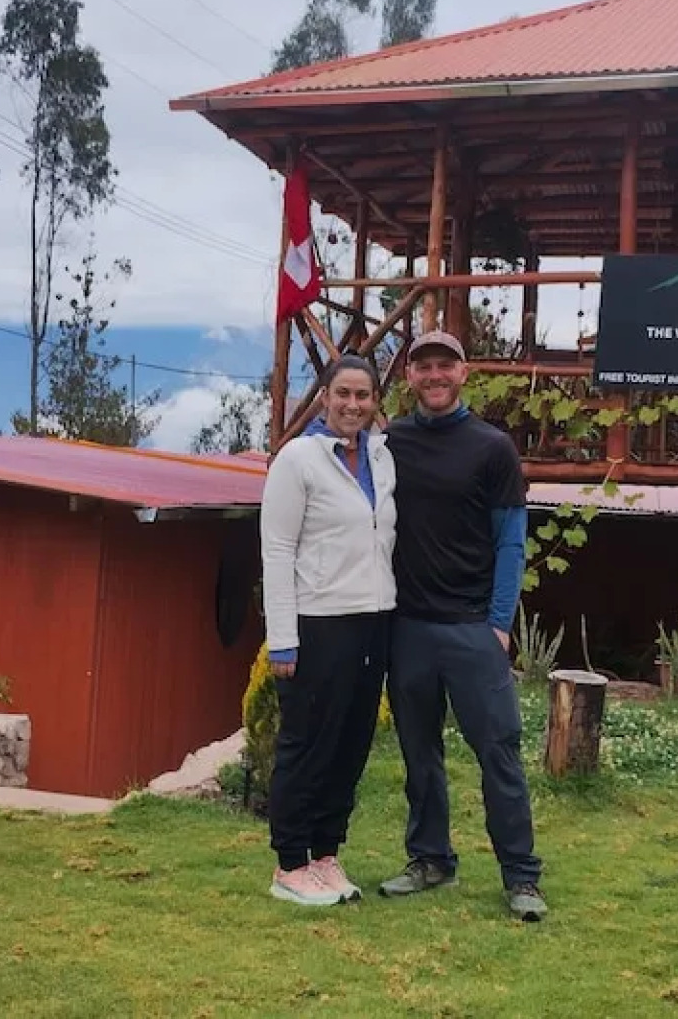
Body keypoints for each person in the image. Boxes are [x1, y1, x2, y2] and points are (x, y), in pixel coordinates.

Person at [377, 329, 547, 921]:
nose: (434, 376)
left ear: (464, 372)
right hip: (410, 629)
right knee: (419, 755)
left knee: (498, 751)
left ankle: (521, 878)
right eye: (423, 367)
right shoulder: (389, 442)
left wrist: (499, 624)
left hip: (473, 628)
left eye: (444, 366)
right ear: (409, 378)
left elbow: (512, 542)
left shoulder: (493, 448)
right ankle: (430, 860)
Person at [258, 354, 398, 906]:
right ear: (323, 397)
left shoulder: (382, 459)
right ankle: (290, 863)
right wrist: (283, 637)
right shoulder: (298, 460)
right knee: (308, 744)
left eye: (363, 396)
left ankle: (326, 852)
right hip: (318, 623)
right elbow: (277, 549)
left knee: (350, 745)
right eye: (343, 394)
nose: (353, 405)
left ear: (374, 402)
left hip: (374, 620)